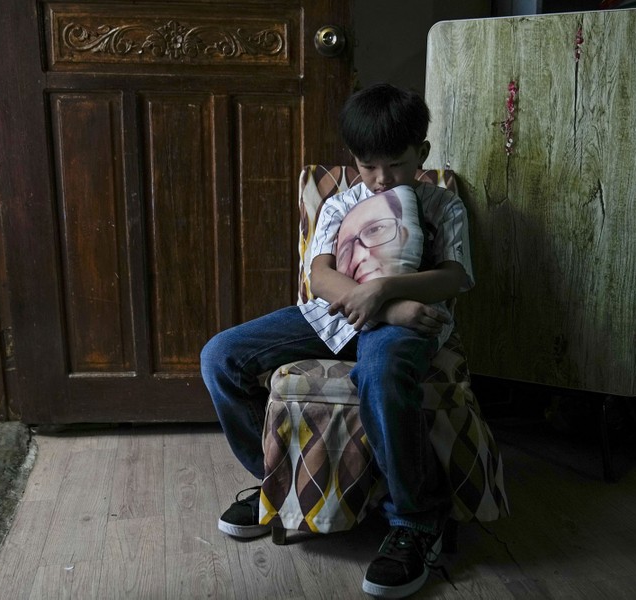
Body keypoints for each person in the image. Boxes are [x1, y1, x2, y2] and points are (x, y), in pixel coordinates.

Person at [200, 82, 474, 598]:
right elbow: (321, 275)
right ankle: (276, 483)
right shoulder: (342, 202)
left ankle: (416, 521)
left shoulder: (443, 205)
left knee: (382, 372)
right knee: (220, 356)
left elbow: (456, 277)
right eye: (367, 165)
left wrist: (387, 294)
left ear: (422, 153)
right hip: (329, 317)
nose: (379, 179)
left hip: (404, 326)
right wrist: (379, 299)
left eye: (394, 164)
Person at [335, 186, 424, 284]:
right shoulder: (337, 205)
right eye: (345, 251)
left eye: (374, 230)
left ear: (403, 235)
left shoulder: (440, 202)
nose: (358, 257)